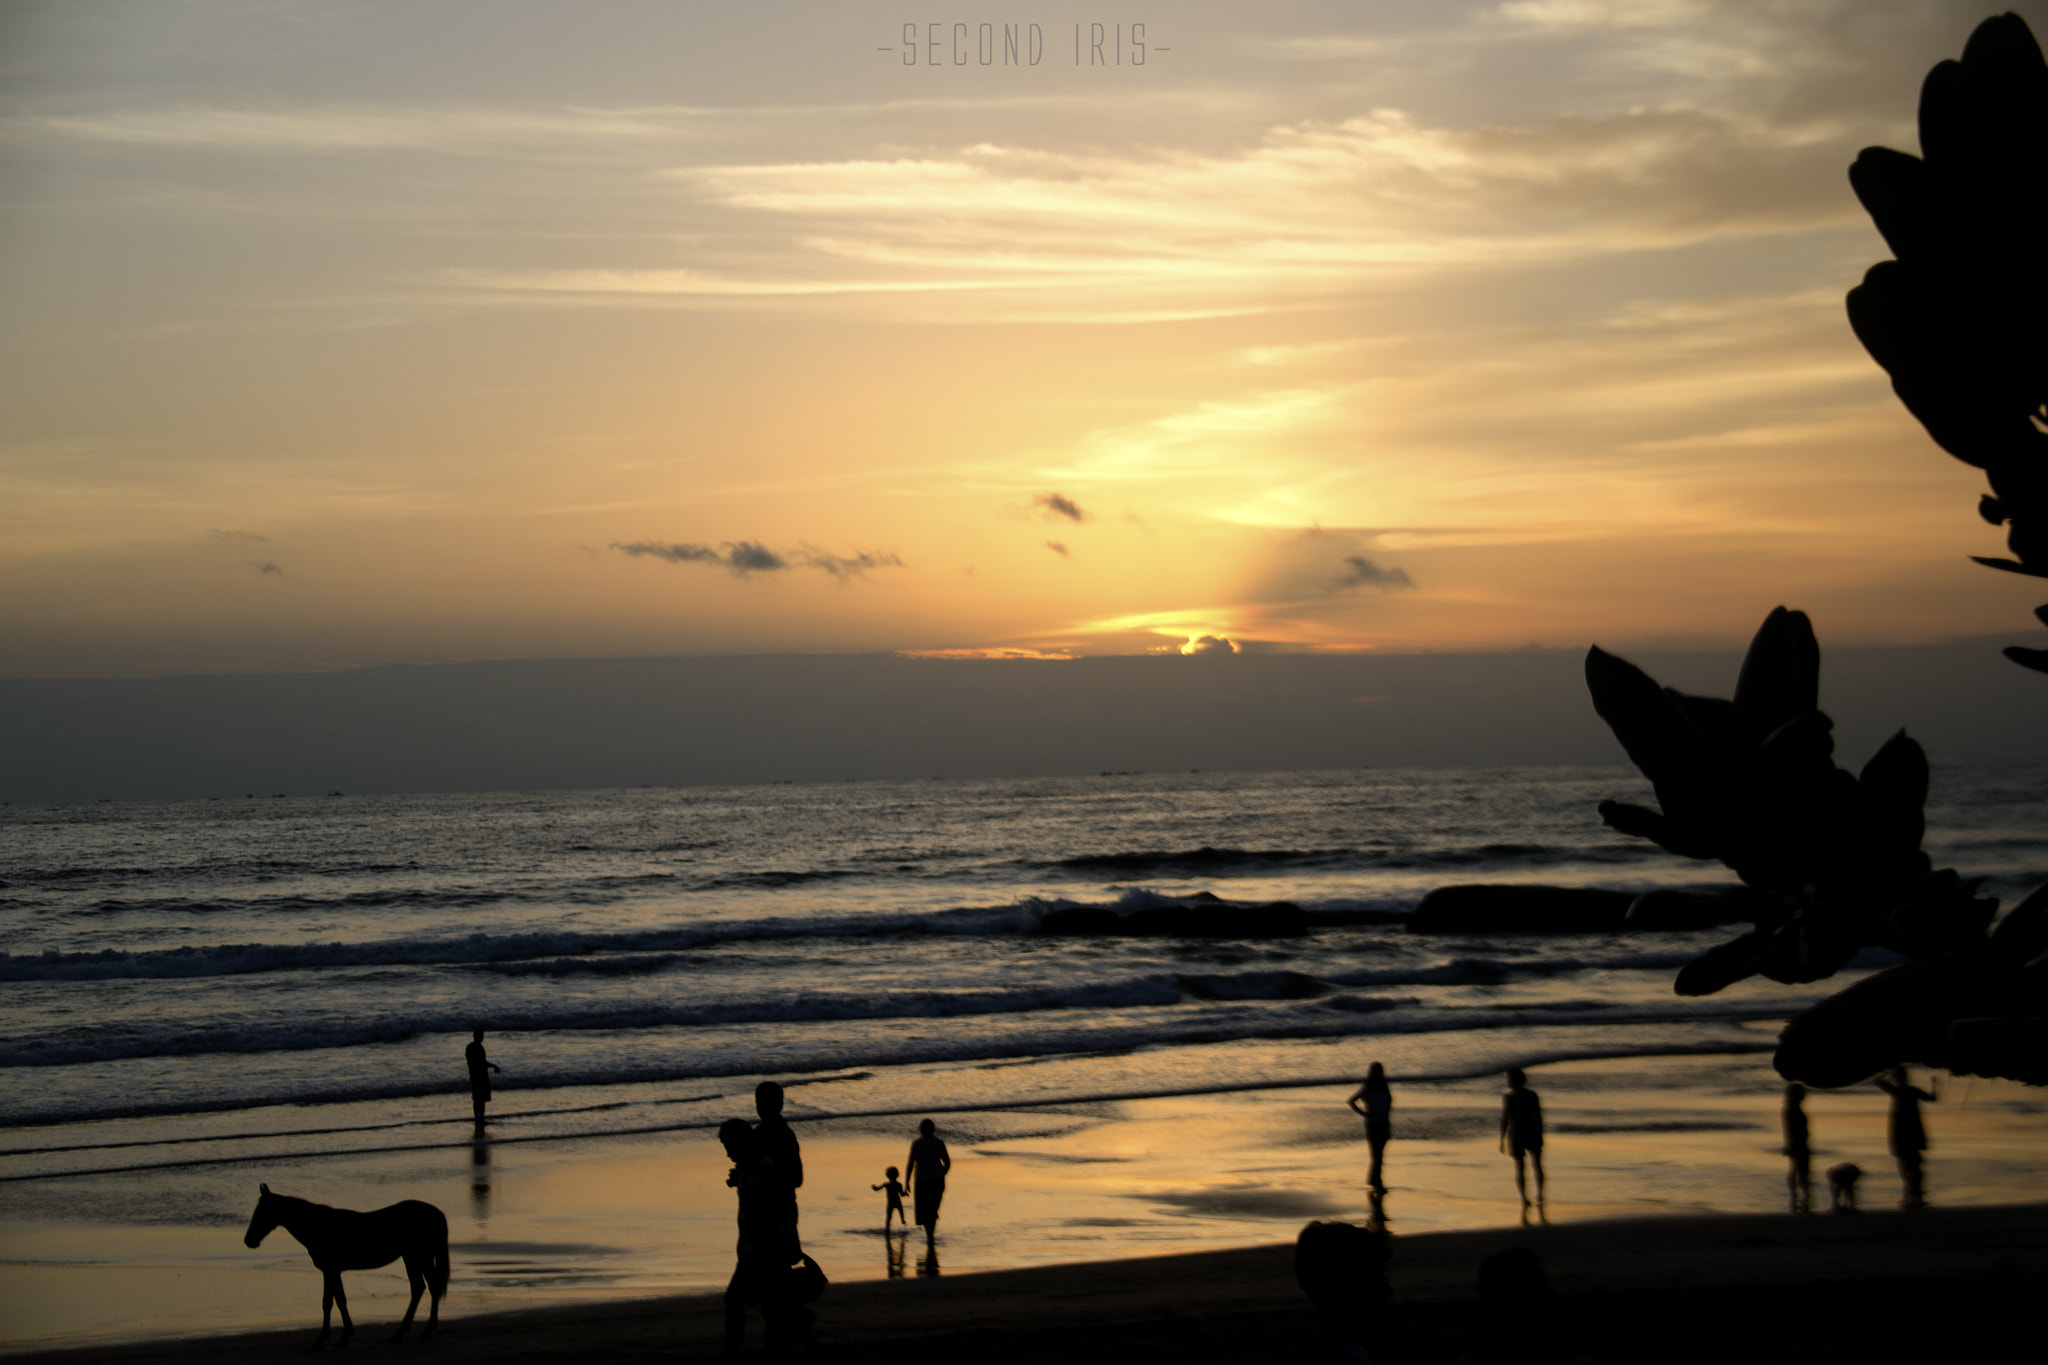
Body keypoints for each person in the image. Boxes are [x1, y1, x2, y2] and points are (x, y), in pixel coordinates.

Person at [718, 1118, 811, 1356]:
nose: (728, 1154)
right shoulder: (752, 1168)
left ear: (740, 1144)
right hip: (754, 1249)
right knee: (771, 1305)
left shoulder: (764, 1169)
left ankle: (732, 1354)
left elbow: (783, 1207)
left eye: (729, 1148)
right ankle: (800, 1324)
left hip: (763, 1250)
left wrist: (788, 1241)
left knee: (737, 1300)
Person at [1876, 1065, 1936, 1205]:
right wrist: (1934, 1085)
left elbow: (1878, 1081)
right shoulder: (1909, 1091)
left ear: (1897, 1078)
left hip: (1903, 1135)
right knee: (1913, 1167)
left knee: (1907, 1168)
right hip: (1912, 1134)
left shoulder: (1897, 1091)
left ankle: (1912, 1196)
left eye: (1895, 1077)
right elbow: (1932, 1098)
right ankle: (1915, 1196)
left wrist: (1886, 1072)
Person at [754, 1081, 804, 1224]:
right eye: (759, 1102)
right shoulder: (757, 1134)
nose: (761, 1107)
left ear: (780, 1104)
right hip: (766, 1210)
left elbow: (797, 1178)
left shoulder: (784, 1136)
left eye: (765, 1102)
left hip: (780, 1209)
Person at [1499, 1068, 1545, 1209]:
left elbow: (1505, 1119)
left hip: (1516, 1132)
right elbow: (1538, 1117)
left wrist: (1501, 1139)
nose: (1507, 1081)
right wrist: (1540, 1134)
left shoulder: (1509, 1097)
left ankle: (1524, 1198)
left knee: (1521, 1167)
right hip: (1531, 1131)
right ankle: (1539, 1195)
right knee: (1536, 1165)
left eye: (1509, 1079)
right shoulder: (1532, 1095)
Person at [904, 1117, 951, 1250]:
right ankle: (931, 1235)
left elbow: (910, 1164)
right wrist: (942, 1174)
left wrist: (906, 1183)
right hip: (937, 1179)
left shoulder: (916, 1143)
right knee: (933, 1208)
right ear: (934, 1130)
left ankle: (929, 1236)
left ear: (921, 1130)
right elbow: (947, 1163)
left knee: (924, 1209)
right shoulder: (939, 1142)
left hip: (922, 1180)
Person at [1348, 1062, 1393, 1192]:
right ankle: (1377, 1182)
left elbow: (1388, 1103)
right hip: (1373, 1124)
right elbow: (1351, 1101)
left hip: (1384, 1122)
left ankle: (1374, 1180)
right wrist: (1364, 1113)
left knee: (1380, 1154)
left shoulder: (1384, 1086)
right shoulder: (1367, 1087)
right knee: (1377, 1155)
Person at [1782, 1082, 1811, 1213]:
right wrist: (1791, 1144)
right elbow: (1790, 1130)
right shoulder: (1791, 1110)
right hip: (1798, 1143)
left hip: (1799, 1143)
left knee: (1798, 1170)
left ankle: (1798, 1196)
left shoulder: (1791, 1109)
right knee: (1800, 1170)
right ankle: (1801, 1195)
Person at [464, 1030, 501, 1132]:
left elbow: (471, 1061)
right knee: (481, 1098)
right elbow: (482, 1062)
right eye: (481, 1035)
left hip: (474, 1075)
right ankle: (481, 1118)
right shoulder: (478, 1048)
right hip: (480, 1075)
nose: (482, 1037)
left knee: (477, 1098)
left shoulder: (470, 1047)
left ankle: (478, 1118)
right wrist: (494, 1066)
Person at [872, 1165, 907, 1232]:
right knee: (900, 1211)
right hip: (897, 1201)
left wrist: (874, 1187)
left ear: (887, 1175)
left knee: (888, 1218)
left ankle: (887, 1230)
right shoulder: (898, 1184)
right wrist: (905, 1193)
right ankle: (902, 1220)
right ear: (897, 1175)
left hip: (890, 1202)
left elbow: (877, 1189)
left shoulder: (887, 1184)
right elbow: (902, 1194)